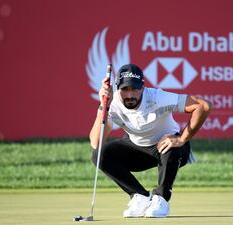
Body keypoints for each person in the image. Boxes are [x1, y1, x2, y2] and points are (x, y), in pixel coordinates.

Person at [89, 64, 211, 218]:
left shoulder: (158, 98)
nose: (130, 95)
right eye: (125, 89)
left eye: (135, 89)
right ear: (116, 88)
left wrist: (182, 138)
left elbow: (203, 106)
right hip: (137, 150)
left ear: (143, 87)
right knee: (99, 154)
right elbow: (96, 143)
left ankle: (161, 199)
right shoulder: (112, 104)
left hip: (168, 148)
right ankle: (140, 196)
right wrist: (103, 105)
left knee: (170, 146)